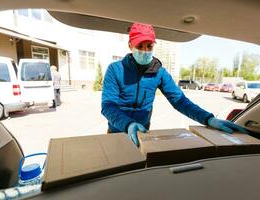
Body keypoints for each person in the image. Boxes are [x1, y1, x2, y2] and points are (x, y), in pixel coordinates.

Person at [101, 22, 248, 146]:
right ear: (130, 45)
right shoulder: (115, 70)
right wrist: (128, 124)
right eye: (140, 46)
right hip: (116, 132)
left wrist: (208, 119)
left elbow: (180, 101)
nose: (145, 51)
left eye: (149, 46)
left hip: (142, 134)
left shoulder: (159, 72)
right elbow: (108, 106)